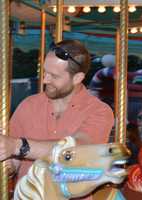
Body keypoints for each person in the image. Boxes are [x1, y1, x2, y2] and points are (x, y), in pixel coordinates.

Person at [0, 40, 114, 199]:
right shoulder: (28, 105)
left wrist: (17, 145)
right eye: (45, 72)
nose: (45, 80)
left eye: (54, 76)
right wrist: (7, 162)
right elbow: (13, 163)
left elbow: (76, 151)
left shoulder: (99, 111)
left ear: (77, 78)